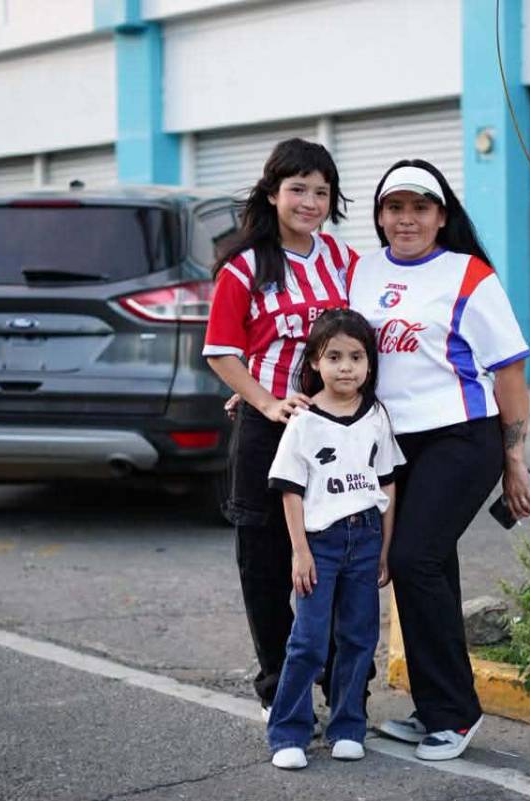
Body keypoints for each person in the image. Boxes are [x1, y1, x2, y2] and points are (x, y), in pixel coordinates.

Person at [349, 159, 530, 761]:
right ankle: (435, 708)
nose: (406, 219)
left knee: (413, 559)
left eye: (420, 208)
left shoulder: (468, 275)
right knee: (426, 566)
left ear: (441, 216)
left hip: (460, 437)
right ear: (380, 216)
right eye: (394, 208)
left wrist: (514, 459)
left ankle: (456, 715)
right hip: (391, 444)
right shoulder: (363, 271)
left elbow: (509, 371)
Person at [203, 138, 359, 720]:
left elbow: (362, 339)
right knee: (266, 566)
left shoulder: (343, 260)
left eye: (321, 191)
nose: (310, 202)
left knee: (339, 560)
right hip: (269, 431)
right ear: (272, 193)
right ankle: (280, 691)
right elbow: (221, 351)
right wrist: (262, 401)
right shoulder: (244, 266)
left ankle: (345, 692)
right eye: (298, 189)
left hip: (336, 431)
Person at [265, 308, 403, 769]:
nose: (346, 368)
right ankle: (288, 732)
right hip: (320, 543)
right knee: (308, 642)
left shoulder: (376, 415)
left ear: (370, 364)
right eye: (335, 357)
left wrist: (384, 549)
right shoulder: (304, 420)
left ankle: (347, 726)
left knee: (358, 638)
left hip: (365, 538)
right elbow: (290, 490)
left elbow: (387, 485)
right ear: (315, 362)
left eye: (357, 357)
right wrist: (300, 552)